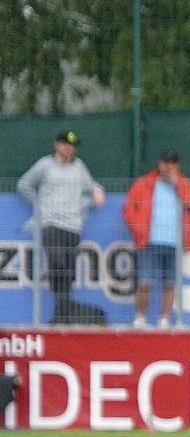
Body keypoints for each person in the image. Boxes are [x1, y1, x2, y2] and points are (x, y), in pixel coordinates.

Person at [20, 129, 107, 325]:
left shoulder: (79, 167)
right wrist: (40, 205)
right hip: (51, 224)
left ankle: (62, 313)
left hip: (73, 226)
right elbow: (24, 185)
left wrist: (97, 191)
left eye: (73, 146)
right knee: (57, 263)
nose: (69, 149)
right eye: (66, 144)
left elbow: (91, 185)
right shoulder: (45, 165)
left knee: (68, 270)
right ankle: (64, 309)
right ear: (57, 145)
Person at [123, 150, 190, 330]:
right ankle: (140, 317)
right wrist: (137, 228)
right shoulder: (145, 183)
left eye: (173, 163)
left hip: (174, 242)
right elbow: (129, 207)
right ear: (160, 164)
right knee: (145, 280)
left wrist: (178, 185)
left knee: (170, 283)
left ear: (177, 165)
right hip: (148, 241)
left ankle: (164, 319)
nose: (169, 167)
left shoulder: (183, 183)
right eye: (166, 163)